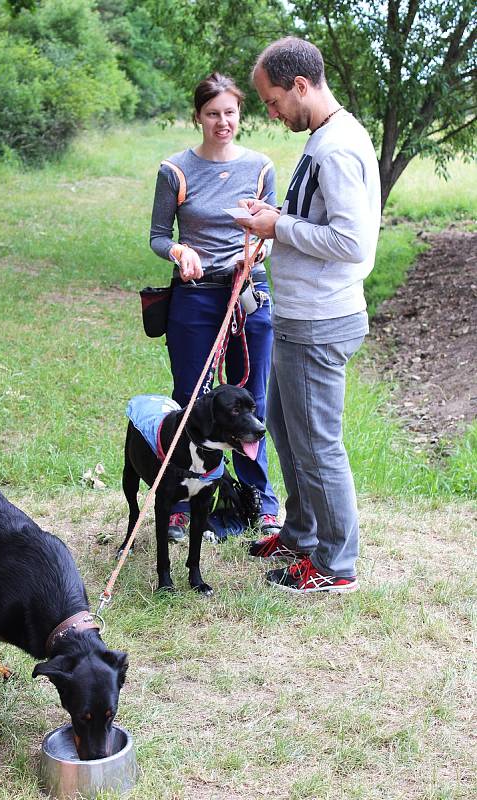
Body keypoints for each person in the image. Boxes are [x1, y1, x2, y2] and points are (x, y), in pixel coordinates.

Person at [239, 37, 381, 593]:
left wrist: (277, 227)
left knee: (318, 442)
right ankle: (301, 533)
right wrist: (273, 219)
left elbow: (352, 242)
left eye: (273, 102)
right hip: (300, 315)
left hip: (322, 320)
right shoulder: (324, 136)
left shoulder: (338, 146)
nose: (271, 114)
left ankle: (334, 565)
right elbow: (314, 220)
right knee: (283, 426)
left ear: (301, 86)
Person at [150, 72, 280, 542]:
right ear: (198, 116)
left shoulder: (262, 166)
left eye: (230, 112)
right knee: (192, 402)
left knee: (253, 399)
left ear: (239, 114)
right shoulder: (175, 170)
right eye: (212, 113)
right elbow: (158, 236)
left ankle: (260, 503)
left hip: (249, 293)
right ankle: (183, 502)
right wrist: (179, 252)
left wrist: (258, 250)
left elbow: (272, 225)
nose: (222, 122)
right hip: (195, 296)